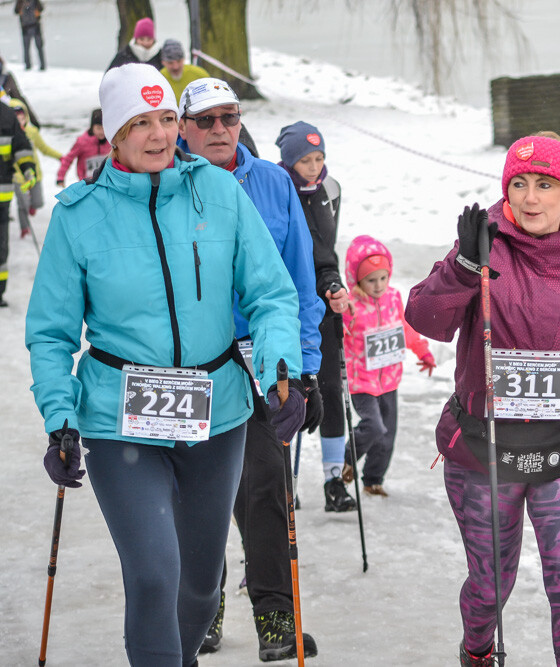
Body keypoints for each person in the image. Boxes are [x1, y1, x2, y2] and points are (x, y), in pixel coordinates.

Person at [25, 63, 306, 667]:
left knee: (199, 586)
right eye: (140, 123)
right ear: (112, 133)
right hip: (118, 418)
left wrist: (281, 374)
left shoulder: (220, 193)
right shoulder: (79, 214)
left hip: (216, 413)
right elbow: (50, 334)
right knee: (154, 573)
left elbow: (271, 294)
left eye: (166, 120)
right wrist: (59, 418)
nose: (158, 135)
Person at [406, 134, 560, 666]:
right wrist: (462, 270)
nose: (530, 198)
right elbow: (427, 320)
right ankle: (476, 648)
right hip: (483, 450)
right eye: (518, 184)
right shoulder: (478, 252)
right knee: (490, 582)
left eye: (545, 185)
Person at [177, 77, 324, 661]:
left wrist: (304, 367)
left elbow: (298, 279)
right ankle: (201, 605)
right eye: (206, 120)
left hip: (264, 355)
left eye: (230, 118)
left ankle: (275, 618)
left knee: (267, 489)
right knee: (199, 492)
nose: (219, 129)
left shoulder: (272, 182)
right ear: (183, 127)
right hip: (190, 365)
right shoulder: (167, 183)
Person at [276, 120, 356, 511]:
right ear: (290, 160)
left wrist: (334, 285)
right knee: (284, 391)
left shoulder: (328, 190)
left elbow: (325, 256)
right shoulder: (275, 187)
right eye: (306, 159)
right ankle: (283, 479)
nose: (313, 166)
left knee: (328, 390)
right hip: (279, 306)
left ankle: (333, 479)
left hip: (319, 308)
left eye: (319, 157)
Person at [342, 234, 434, 497]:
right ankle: (349, 457)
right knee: (373, 426)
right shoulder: (351, 306)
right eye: (371, 280)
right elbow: (337, 333)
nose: (379, 285)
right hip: (362, 381)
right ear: (357, 280)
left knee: (386, 435)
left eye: (383, 277)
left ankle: (373, 480)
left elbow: (404, 328)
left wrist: (423, 351)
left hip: (389, 379)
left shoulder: (393, 298)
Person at [0, 97, 35, 306]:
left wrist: (28, 169)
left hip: (1, 197)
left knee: (0, 248)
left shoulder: (5, 115)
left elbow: (21, 147)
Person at [9, 98, 59, 238]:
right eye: (16, 118)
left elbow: (44, 148)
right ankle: (25, 228)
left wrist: (60, 156)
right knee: (23, 202)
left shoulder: (32, 132)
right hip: (19, 177)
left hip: (34, 174)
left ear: (26, 117)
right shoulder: (9, 135)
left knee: (37, 202)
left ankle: (32, 207)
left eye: (22, 117)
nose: (20, 121)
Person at [56, 108, 110, 188]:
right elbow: (68, 159)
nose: (101, 132)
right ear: (92, 127)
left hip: (106, 183)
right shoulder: (82, 142)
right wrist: (61, 177)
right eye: (98, 128)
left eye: (104, 128)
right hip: (86, 184)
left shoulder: (111, 141)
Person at [14, 0, 45, 71]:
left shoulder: (35, 1)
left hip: (35, 26)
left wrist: (37, 11)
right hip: (25, 27)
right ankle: (27, 65)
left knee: (39, 46)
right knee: (26, 48)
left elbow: (41, 8)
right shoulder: (20, 1)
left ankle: (42, 65)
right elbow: (16, 11)